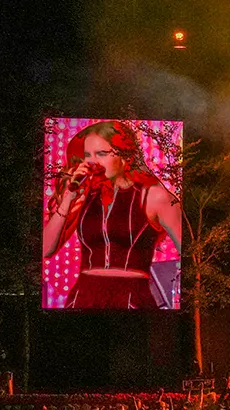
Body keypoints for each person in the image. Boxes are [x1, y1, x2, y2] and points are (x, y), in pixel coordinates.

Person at [42, 120, 182, 309]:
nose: (92, 162)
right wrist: (69, 198)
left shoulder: (154, 195)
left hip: (131, 299)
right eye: (87, 155)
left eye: (101, 153)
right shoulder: (86, 196)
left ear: (125, 156)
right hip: (84, 297)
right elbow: (46, 249)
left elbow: (191, 251)